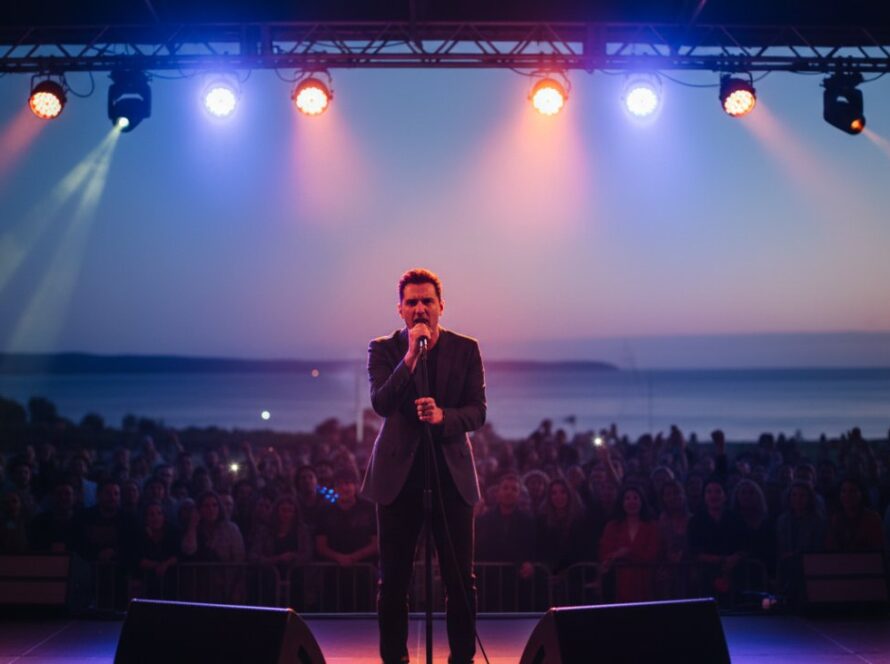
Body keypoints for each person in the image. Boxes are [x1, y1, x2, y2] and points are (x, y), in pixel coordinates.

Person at [361, 268, 485, 664]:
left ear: (441, 307)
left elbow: (478, 412)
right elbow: (381, 402)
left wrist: (442, 417)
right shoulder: (383, 349)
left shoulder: (466, 349)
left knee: (460, 580)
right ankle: (395, 660)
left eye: (426, 301)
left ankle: (461, 659)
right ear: (400, 310)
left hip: (450, 475)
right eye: (411, 302)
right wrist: (412, 356)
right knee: (394, 581)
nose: (419, 309)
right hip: (398, 479)